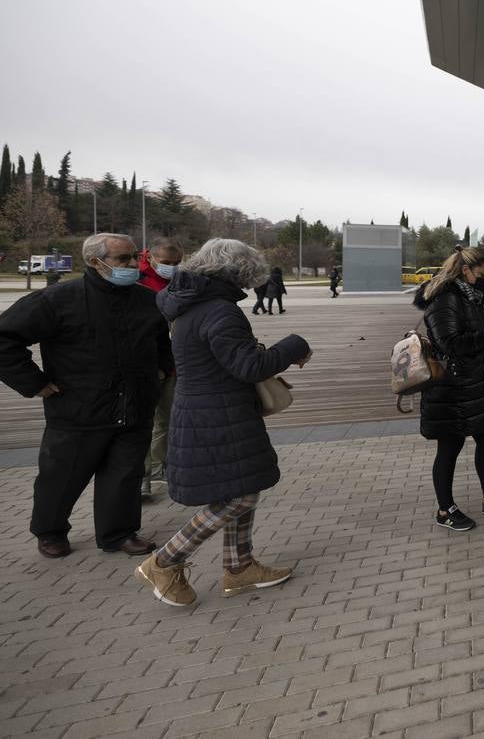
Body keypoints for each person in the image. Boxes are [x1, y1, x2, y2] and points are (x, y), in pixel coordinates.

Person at [135, 239, 312, 607]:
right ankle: (164, 561)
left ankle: (240, 566)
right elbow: (249, 367)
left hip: (204, 408)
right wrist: (294, 346)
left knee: (240, 487)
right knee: (240, 494)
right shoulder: (219, 310)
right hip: (218, 414)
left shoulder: (188, 303)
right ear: (239, 273)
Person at [0, 233, 171, 559]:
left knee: (124, 475)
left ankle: (119, 533)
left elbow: (161, 341)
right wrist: (34, 383)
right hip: (78, 409)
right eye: (123, 259)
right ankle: (50, 531)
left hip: (135, 405)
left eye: (135, 257)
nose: (133, 264)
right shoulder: (57, 300)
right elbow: (4, 339)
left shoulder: (146, 299)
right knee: (61, 476)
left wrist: (162, 369)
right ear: (95, 261)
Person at [413, 246, 484, 532]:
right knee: (449, 447)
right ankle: (445, 510)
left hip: (472, 383)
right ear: (465, 270)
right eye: (482, 274)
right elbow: (450, 343)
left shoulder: (470, 296)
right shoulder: (446, 298)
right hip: (450, 388)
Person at [137, 237, 184, 501]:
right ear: (151, 257)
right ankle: (141, 477)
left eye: (177, 263)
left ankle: (160, 466)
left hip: (173, 363)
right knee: (143, 422)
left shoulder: (179, 280)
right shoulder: (135, 279)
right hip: (145, 364)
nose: (172, 267)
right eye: (166, 263)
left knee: (167, 419)